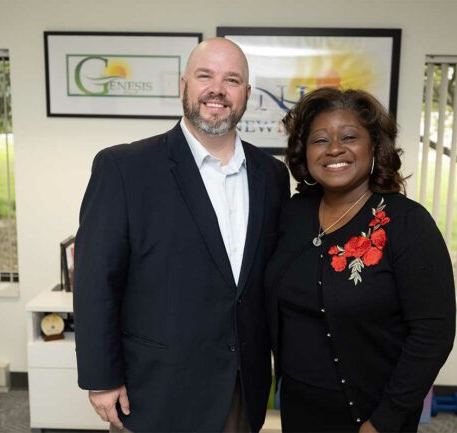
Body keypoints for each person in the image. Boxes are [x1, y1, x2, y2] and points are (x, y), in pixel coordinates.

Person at [73, 38, 289, 432]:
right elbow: (94, 282)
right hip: (155, 388)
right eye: (205, 76)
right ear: (183, 85)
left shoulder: (272, 176)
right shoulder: (124, 168)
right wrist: (101, 377)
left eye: (232, 80)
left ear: (247, 95)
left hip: (241, 385)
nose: (217, 90)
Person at [264, 88, 456, 433]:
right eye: (320, 140)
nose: (334, 148)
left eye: (349, 136)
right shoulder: (291, 214)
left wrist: (385, 420)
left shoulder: (407, 223)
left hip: (372, 415)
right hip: (297, 408)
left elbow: (433, 333)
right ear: (304, 152)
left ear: (374, 147)